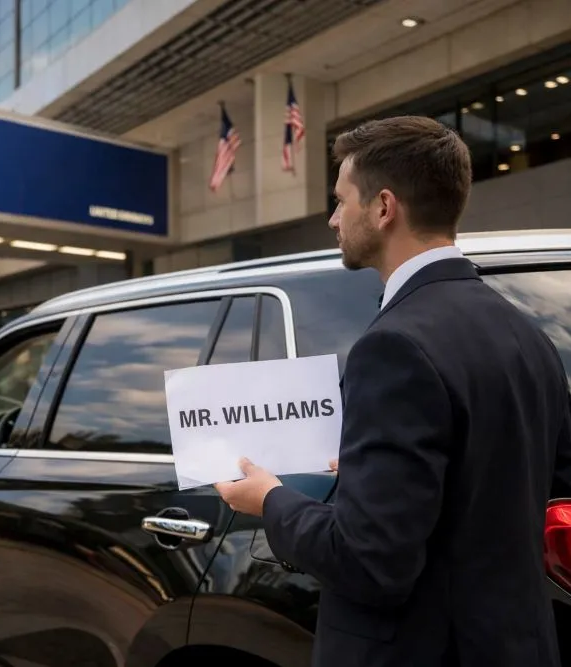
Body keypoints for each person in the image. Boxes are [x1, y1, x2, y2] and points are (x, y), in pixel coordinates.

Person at [213, 115, 571, 667]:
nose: (333, 219)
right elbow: (521, 487)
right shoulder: (529, 334)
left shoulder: (394, 347)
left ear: (383, 208)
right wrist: (366, 476)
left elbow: (369, 561)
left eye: (341, 201)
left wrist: (270, 499)